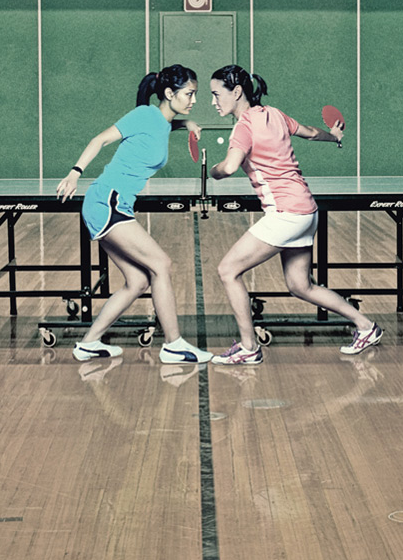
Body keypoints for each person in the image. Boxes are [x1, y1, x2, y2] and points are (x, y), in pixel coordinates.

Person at [206, 65, 382, 365]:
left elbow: (230, 166)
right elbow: (311, 133)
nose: (213, 102)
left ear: (236, 92)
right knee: (301, 286)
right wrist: (334, 137)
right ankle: (366, 327)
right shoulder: (274, 114)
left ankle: (249, 348)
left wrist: (214, 171)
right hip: (307, 210)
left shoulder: (243, 127)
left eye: (216, 94)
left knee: (228, 270)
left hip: (286, 213)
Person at [57, 65, 212, 365]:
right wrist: (75, 173)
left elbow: (163, 125)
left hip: (114, 204)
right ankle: (174, 345)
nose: (194, 100)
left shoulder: (160, 121)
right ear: (169, 93)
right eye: (189, 94)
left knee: (138, 281)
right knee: (161, 264)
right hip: (108, 201)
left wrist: (186, 123)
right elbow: (99, 140)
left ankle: (88, 344)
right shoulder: (143, 115)